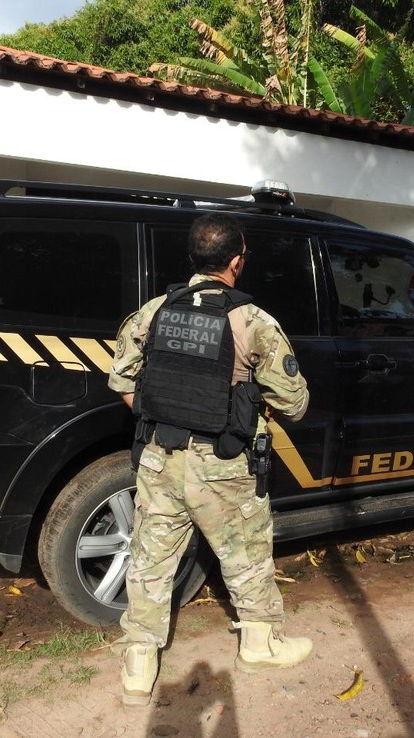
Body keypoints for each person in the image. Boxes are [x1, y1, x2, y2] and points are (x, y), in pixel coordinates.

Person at [107, 212, 312, 707]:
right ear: (237, 261)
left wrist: (162, 412)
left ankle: (138, 665)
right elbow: (295, 403)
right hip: (223, 464)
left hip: (159, 456)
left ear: (193, 259)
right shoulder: (253, 321)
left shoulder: (153, 311)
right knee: (246, 553)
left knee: (151, 559)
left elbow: (122, 379)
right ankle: (260, 645)